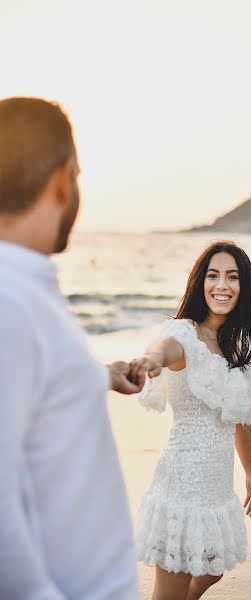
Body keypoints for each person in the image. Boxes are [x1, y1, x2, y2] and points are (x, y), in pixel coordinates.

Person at [0, 97, 143, 599]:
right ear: (63, 179)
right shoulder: (9, 300)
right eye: (78, 175)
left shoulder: (23, 288)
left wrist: (94, 374)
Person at [129, 241, 251, 600]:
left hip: (215, 485)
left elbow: (239, 418)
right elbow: (161, 350)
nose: (221, 285)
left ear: (243, 287)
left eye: (232, 276)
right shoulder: (184, 335)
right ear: (201, 283)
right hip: (183, 481)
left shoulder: (235, 344)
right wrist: (149, 360)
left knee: (211, 568)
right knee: (173, 585)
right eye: (213, 276)